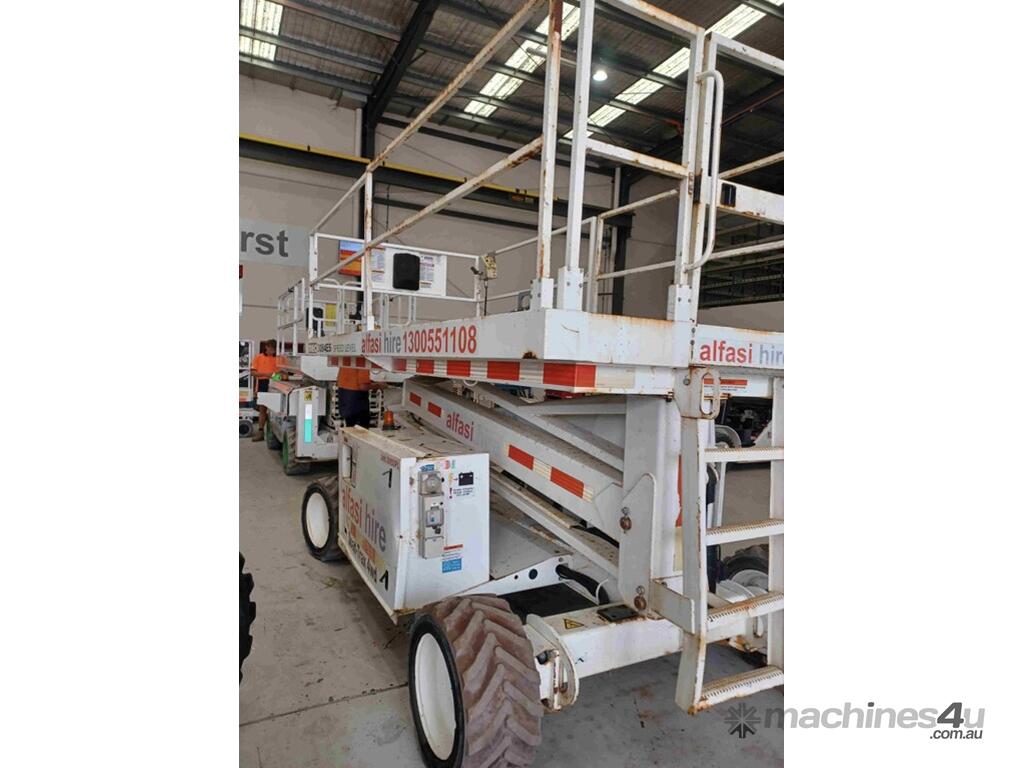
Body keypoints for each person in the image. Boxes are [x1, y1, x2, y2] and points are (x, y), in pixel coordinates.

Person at [336, 364, 384, 428]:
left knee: (350, 427)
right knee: (361, 431)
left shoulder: (346, 362)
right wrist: (379, 386)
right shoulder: (362, 363)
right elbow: (363, 386)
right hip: (357, 405)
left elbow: (349, 380)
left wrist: (373, 383)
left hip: (345, 402)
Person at [250, 339, 280, 441]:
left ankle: (273, 432)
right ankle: (260, 432)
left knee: (275, 409)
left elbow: (281, 375)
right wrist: (266, 374)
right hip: (262, 384)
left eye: (274, 349)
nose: (273, 351)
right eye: (271, 348)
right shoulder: (258, 358)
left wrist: (274, 376)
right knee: (262, 409)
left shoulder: (278, 359)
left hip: (275, 384)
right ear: (266, 347)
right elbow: (253, 373)